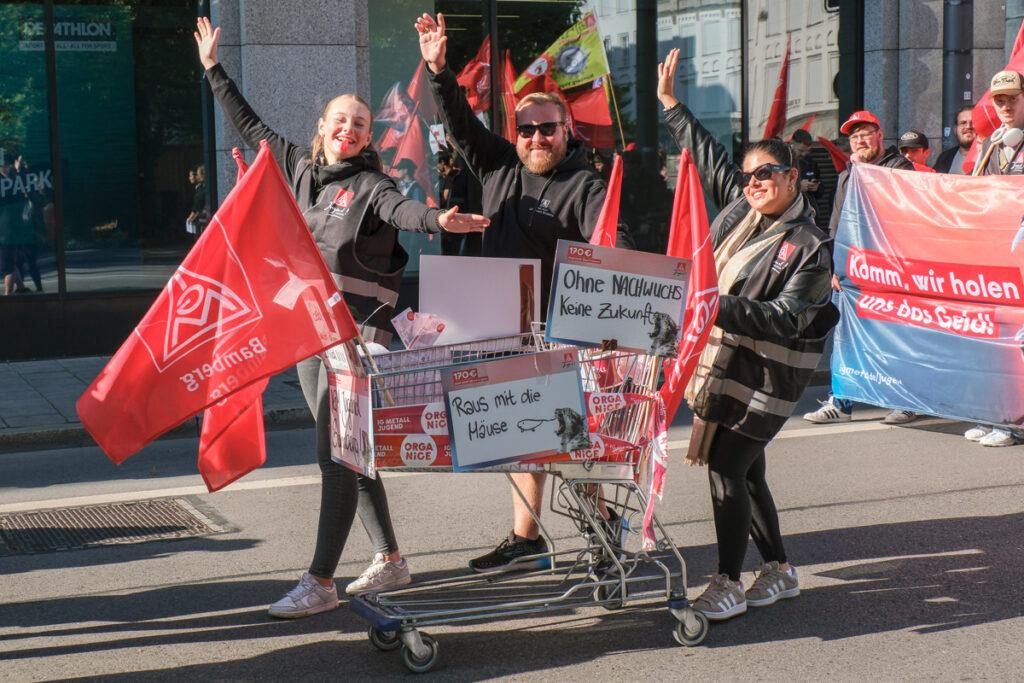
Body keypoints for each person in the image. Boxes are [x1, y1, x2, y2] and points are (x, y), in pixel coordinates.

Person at [193, 17, 488, 617]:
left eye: (359, 122)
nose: (349, 128)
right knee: (351, 452)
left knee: (337, 454)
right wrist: (212, 68)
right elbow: (250, 124)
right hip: (307, 332)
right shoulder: (298, 165)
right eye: (340, 119)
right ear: (323, 128)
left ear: (364, 136)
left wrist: (440, 222)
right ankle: (393, 560)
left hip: (356, 339)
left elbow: (405, 211)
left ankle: (321, 582)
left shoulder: (372, 185)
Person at [416, 12, 622, 573]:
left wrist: (608, 317)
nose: (535, 138)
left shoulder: (585, 185)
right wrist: (438, 70)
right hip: (503, 327)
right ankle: (526, 539)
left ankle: (605, 527)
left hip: (563, 337)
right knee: (513, 434)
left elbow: (613, 245)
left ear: (566, 133)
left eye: (546, 129)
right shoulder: (499, 164)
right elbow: (459, 123)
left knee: (570, 442)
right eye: (526, 129)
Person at [657, 48, 838, 621]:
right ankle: (780, 570)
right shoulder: (741, 211)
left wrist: (710, 306)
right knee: (748, 467)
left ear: (793, 178)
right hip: (730, 363)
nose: (754, 182)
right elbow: (711, 160)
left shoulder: (809, 246)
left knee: (728, 467)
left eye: (767, 173)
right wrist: (671, 106)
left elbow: (786, 319)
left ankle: (728, 581)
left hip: (772, 375)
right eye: (749, 174)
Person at [802, 110, 918, 426]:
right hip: (852, 273)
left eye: (865, 133)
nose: (860, 141)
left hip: (890, 271)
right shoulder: (847, 174)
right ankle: (841, 402)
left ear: (880, 135)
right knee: (846, 337)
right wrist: (833, 268)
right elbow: (836, 225)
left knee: (893, 337)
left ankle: (905, 400)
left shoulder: (899, 169)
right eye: (854, 137)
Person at [962, 70, 1024, 447]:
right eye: (999, 100)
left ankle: (1014, 422)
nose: (1004, 106)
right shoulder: (993, 145)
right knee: (994, 338)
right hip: (997, 259)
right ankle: (996, 413)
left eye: (1012, 98)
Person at [932, 106, 975, 174]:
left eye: (973, 122)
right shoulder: (944, 157)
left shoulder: (990, 157)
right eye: (963, 123)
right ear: (955, 129)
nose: (968, 126)